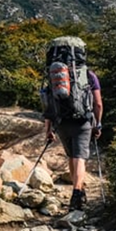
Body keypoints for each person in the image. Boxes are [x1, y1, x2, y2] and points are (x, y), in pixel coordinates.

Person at [44, 64, 102, 211]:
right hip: (82, 122)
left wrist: (49, 130)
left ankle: (80, 191)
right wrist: (98, 124)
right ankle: (76, 194)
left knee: (71, 156)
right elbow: (98, 104)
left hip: (62, 123)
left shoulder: (54, 75)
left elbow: (48, 104)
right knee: (80, 157)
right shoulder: (89, 76)